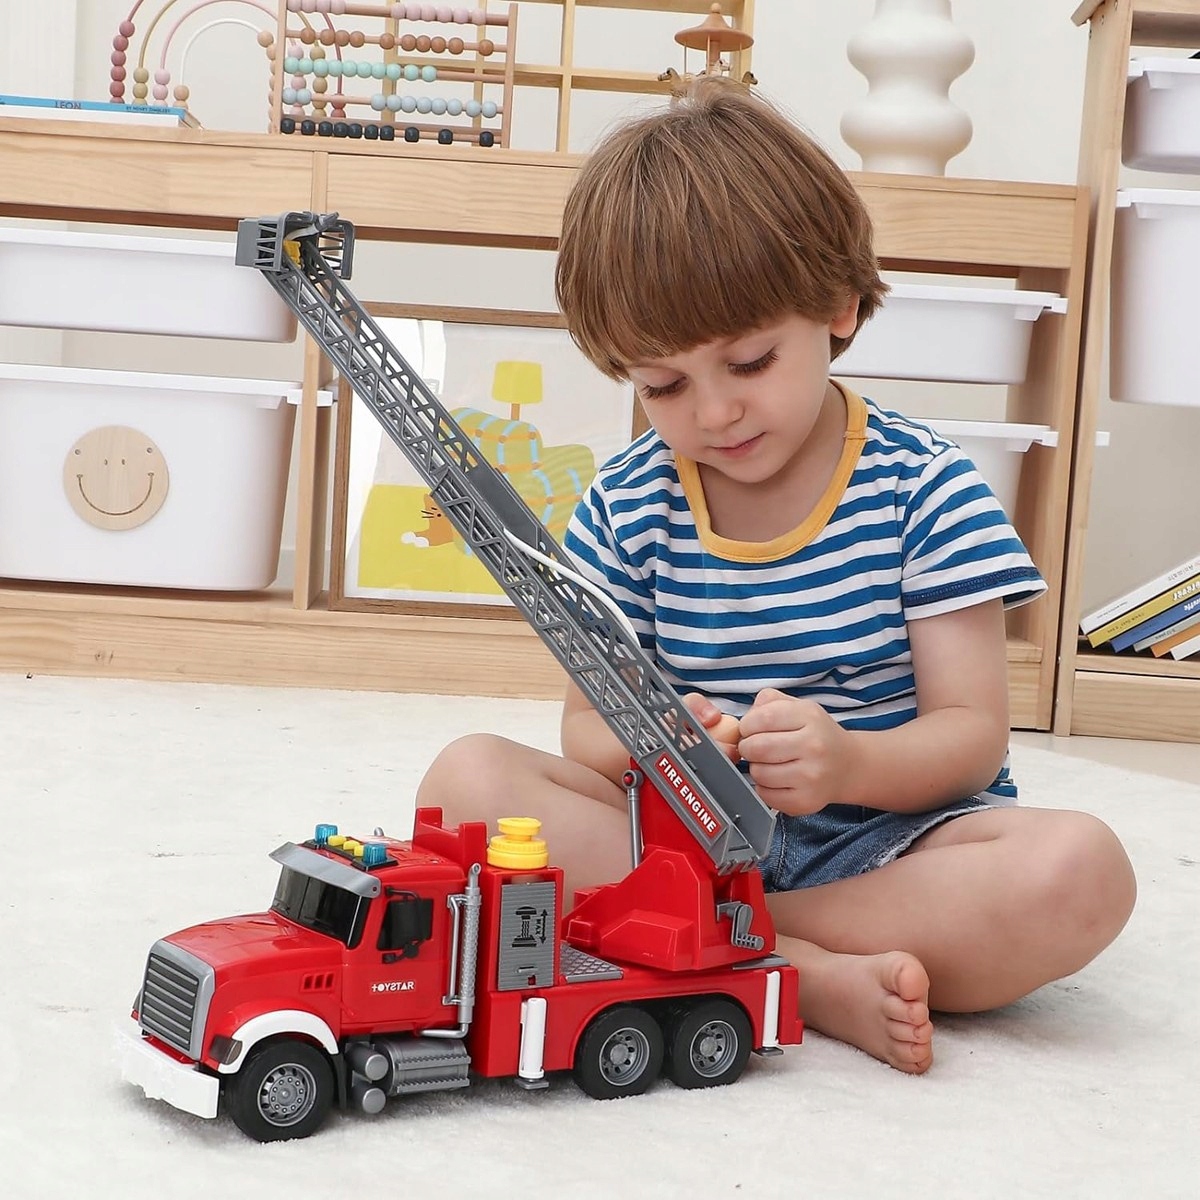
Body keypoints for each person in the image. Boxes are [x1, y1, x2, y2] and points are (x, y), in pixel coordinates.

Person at [416, 76, 1136, 1074]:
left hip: (889, 846)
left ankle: (743, 942)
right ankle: (796, 970)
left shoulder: (924, 488)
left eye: (750, 362)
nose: (713, 413)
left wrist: (848, 766)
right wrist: (660, 748)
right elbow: (586, 725)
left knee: (1079, 872)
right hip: (688, 841)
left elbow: (971, 740)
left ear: (838, 305)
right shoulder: (626, 504)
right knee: (466, 782)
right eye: (664, 384)